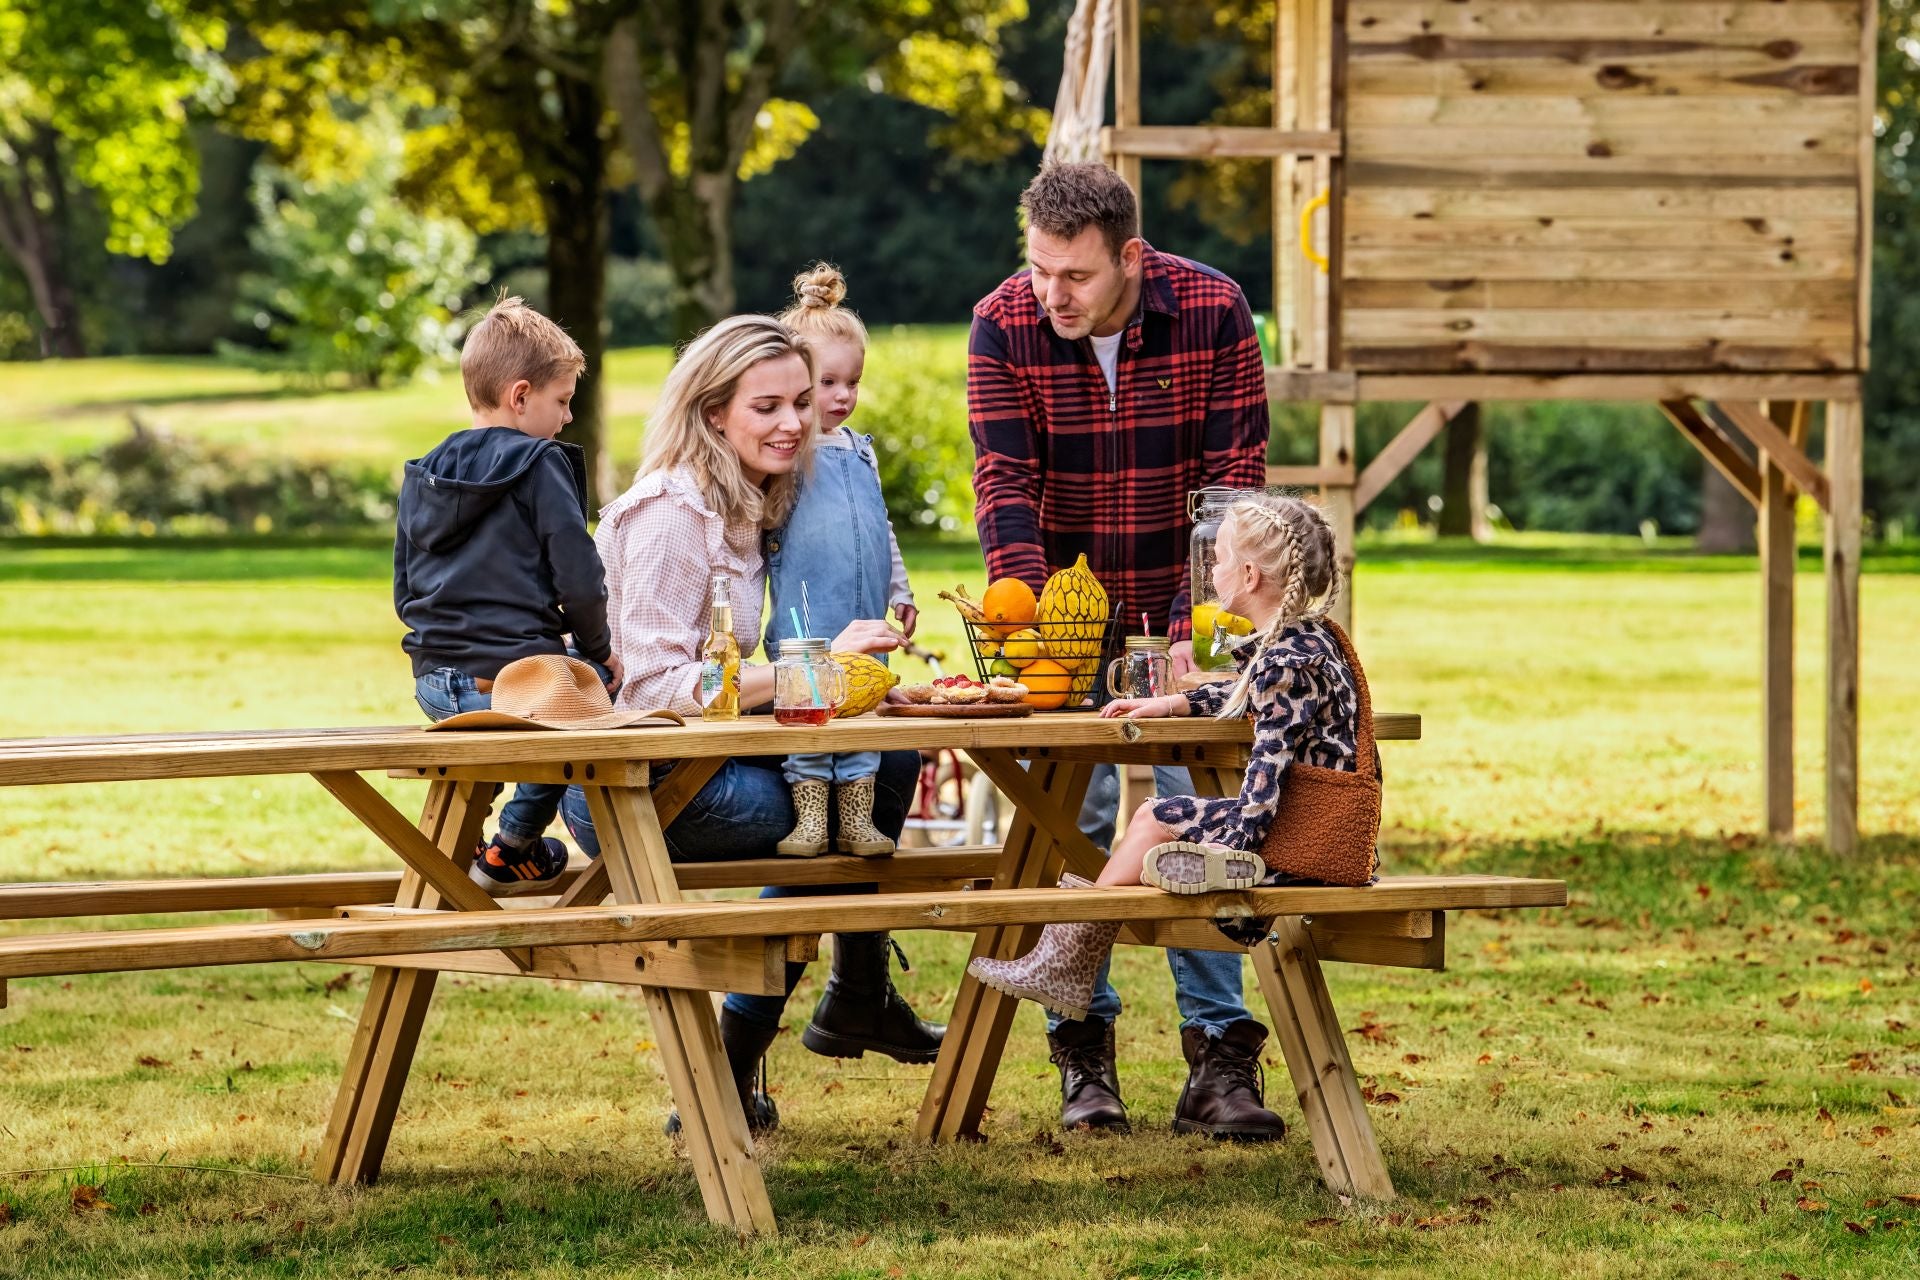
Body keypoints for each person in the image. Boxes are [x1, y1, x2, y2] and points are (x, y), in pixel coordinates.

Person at [556, 314, 943, 1131]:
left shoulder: (743, 501)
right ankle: (760, 1054)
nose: (795, 422)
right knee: (840, 815)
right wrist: (821, 669)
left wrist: (860, 691)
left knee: (889, 762)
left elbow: (736, 680)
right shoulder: (671, 514)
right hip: (641, 789)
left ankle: (847, 1000)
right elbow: (656, 688)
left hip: (706, 761)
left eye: (801, 401)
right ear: (713, 413)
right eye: (767, 407)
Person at [967, 162, 1279, 1138]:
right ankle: (1082, 1049)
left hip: (1189, 596)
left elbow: (1232, 486)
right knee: (1076, 815)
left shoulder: (1214, 310)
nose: (1051, 293)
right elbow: (1004, 480)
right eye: (1039, 268)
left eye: (1076, 275)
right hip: (1068, 610)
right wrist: (1034, 628)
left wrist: (1196, 631)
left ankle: (1218, 1057)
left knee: (1201, 820)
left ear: (1131, 257)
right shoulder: (1002, 323)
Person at [970, 492, 1357, 1140]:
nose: (1209, 570)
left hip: (1299, 840)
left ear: (1250, 576)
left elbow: (1264, 781)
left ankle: (1068, 955)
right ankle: (1071, 955)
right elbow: (1240, 696)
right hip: (1317, 829)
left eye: (1218, 558)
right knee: (1158, 823)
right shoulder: (1302, 642)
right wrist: (1173, 704)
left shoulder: (1287, 661)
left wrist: (1230, 854)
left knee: (1154, 816)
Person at [394, 295, 623, 890]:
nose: (567, 418)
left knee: (511, 736)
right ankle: (511, 847)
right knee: (585, 710)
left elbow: (403, 589)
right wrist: (598, 651)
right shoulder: (540, 463)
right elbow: (580, 576)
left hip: (435, 686)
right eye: (562, 401)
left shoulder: (424, 471)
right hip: (518, 691)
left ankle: (462, 843)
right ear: (520, 397)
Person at [764, 264, 918, 858]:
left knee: (861, 709)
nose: (843, 396)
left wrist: (900, 589)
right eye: (826, 383)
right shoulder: (788, 453)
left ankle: (856, 819)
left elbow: (881, 526)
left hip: (866, 613)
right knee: (808, 708)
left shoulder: (862, 452)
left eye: (852, 382)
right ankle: (809, 819)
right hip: (808, 621)